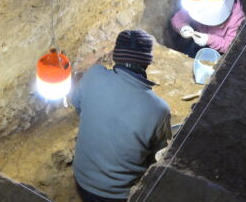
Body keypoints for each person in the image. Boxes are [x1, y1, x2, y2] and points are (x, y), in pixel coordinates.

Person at [71, 29, 171, 202]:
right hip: (118, 196)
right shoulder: (158, 109)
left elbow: (78, 106)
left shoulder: (93, 75)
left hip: (81, 181)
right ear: (147, 62)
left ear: (115, 56)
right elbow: (160, 154)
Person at [171, 0, 244, 56]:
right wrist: (183, 27)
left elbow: (229, 46)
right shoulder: (196, 3)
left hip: (219, 49)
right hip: (197, 40)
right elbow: (178, 19)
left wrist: (209, 40)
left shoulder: (236, 19)